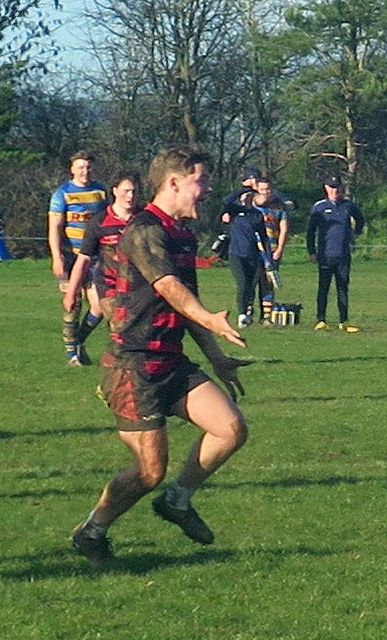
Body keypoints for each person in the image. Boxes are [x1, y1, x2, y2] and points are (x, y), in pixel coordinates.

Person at [71, 145, 251, 567]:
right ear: (174, 182)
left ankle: (177, 501)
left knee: (230, 428)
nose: (208, 189)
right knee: (149, 471)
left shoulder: (182, 234)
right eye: (200, 181)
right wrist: (209, 319)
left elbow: (185, 303)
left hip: (171, 360)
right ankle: (91, 532)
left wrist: (216, 357)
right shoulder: (144, 230)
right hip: (133, 365)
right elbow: (168, 286)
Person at [63, 171, 143, 345]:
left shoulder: (144, 220)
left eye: (134, 191)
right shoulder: (99, 221)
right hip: (109, 285)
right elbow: (83, 259)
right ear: (114, 191)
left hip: (137, 285)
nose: (130, 196)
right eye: (126, 191)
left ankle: (80, 342)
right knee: (121, 325)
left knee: (142, 329)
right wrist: (71, 293)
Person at [48, 151, 110, 365]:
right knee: (71, 305)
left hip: (93, 258)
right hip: (69, 258)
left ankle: (79, 341)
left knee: (99, 306)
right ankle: (71, 356)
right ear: (72, 169)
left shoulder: (100, 192)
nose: (85, 171)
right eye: (81, 167)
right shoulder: (62, 194)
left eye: (88, 167)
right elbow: (54, 228)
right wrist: (56, 257)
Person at [307, 175, 365, 331]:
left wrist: (355, 233)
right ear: (326, 188)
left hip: (343, 254)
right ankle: (321, 319)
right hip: (325, 254)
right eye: (332, 188)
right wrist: (312, 251)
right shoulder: (319, 207)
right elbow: (311, 231)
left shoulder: (348, 206)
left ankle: (343, 320)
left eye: (337, 187)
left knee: (342, 287)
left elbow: (360, 220)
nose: (335, 191)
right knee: (324, 287)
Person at [221, 177, 272, 327]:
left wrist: (268, 258)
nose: (246, 198)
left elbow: (264, 237)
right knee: (242, 284)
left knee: (251, 286)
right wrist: (242, 190)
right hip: (236, 254)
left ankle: (250, 313)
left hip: (253, 255)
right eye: (245, 196)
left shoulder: (256, 214)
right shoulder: (234, 211)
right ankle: (242, 314)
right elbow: (225, 201)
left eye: (250, 196)